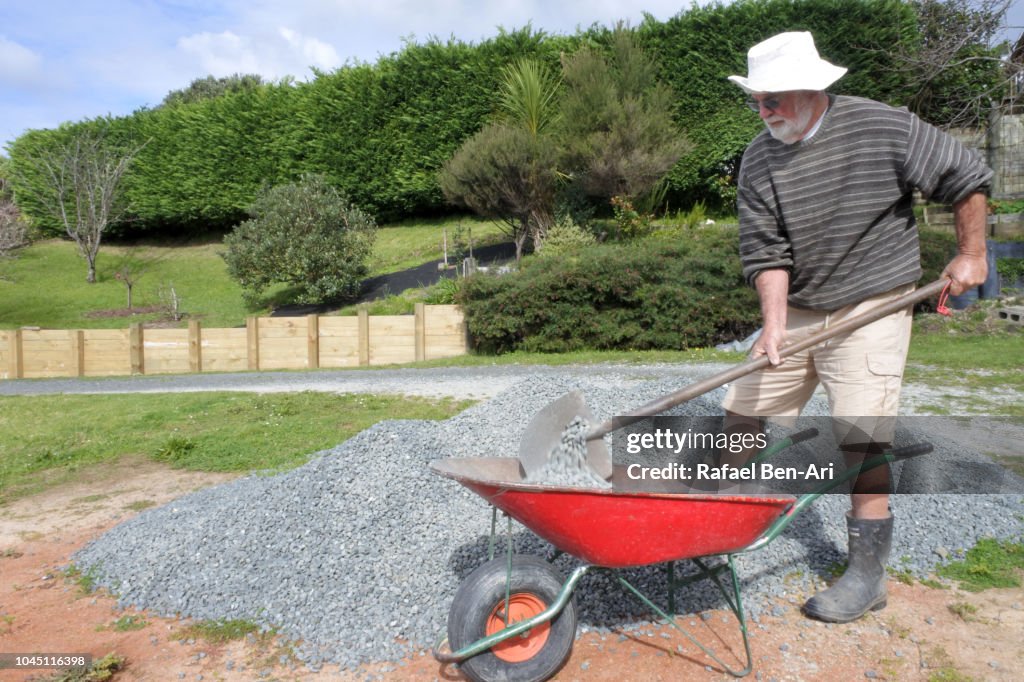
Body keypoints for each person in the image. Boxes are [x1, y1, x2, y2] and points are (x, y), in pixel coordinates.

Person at [721, 31, 992, 623]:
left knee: (860, 435)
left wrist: (973, 253)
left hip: (873, 299)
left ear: (813, 89)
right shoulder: (759, 159)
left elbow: (966, 174)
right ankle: (710, 526)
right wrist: (772, 328)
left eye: (775, 99)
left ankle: (867, 574)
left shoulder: (883, 128)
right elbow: (766, 253)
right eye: (756, 100)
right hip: (802, 303)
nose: (764, 111)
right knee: (742, 410)